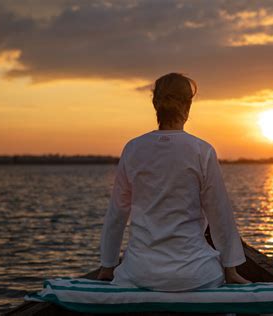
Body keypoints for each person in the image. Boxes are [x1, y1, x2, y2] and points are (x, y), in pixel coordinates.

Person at [97, 73, 250, 290]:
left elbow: (117, 213)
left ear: (154, 104)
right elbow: (219, 213)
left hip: (140, 274)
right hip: (196, 275)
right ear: (188, 106)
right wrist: (231, 269)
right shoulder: (202, 151)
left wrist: (108, 265)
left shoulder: (133, 149)